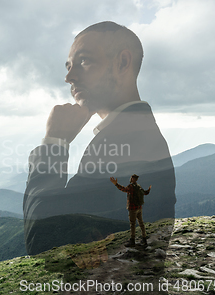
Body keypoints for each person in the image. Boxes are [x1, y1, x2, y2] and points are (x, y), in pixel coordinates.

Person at [23, 21, 176, 256]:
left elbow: (42, 241)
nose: (69, 77)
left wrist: (55, 141)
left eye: (84, 61)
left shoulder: (125, 142)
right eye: (69, 66)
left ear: (123, 62)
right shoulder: (132, 133)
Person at [110, 174, 151, 247]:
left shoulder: (131, 186)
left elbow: (123, 189)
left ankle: (132, 240)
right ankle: (144, 239)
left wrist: (116, 184)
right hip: (139, 208)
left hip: (132, 209)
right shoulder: (139, 186)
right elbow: (145, 193)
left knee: (132, 224)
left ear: (132, 179)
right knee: (141, 223)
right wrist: (149, 190)